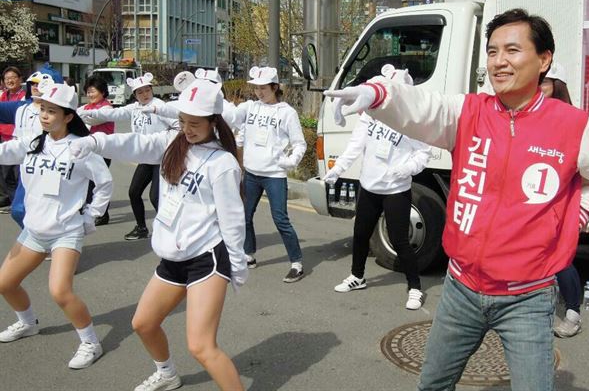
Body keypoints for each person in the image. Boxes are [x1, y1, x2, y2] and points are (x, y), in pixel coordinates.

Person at [325, 8, 589, 391]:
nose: (499, 61)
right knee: (433, 385)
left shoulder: (574, 127)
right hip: (460, 287)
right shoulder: (470, 112)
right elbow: (422, 107)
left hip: (528, 298)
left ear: (544, 59)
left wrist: (575, 217)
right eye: (493, 51)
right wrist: (375, 93)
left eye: (513, 50)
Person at [69, 77, 247, 391]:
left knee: (201, 347)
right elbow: (134, 143)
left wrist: (237, 265)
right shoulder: (171, 143)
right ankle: (167, 374)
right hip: (172, 256)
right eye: (183, 121)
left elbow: (232, 219)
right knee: (143, 323)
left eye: (195, 123)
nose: (187, 128)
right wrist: (95, 143)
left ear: (213, 122)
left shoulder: (222, 163)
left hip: (206, 259)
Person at [0, 81, 112, 369]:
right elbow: (5, 152)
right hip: (33, 231)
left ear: (68, 116)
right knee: (5, 283)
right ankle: (28, 322)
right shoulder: (34, 143)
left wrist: (91, 215)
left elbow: (104, 182)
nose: (45, 116)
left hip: (66, 231)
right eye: (42, 110)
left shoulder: (80, 148)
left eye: (52, 111)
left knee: (60, 291)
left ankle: (90, 342)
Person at [323, 65, 433, 309]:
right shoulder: (370, 114)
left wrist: (406, 169)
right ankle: (357, 276)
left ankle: (414, 287)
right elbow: (355, 145)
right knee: (361, 234)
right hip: (369, 186)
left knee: (399, 240)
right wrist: (338, 168)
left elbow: (424, 154)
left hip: (395, 189)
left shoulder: (410, 120)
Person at [78, 73, 178, 240]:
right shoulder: (135, 107)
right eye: (140, 92)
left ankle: (170, 232)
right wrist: (93, 114)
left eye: (147, 90)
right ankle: (141, 228)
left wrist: (166, 143)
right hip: (146, 158)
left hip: (162, 158)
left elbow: (177, 126)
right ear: (135, 95)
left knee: (156, 197)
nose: (144, 94)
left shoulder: (159, 106)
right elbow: (115, 114)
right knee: (134, 192)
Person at [234, 66, 307, 282]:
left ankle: (297, 263)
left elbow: (299, 144)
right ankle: (249, 255)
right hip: (252, 173)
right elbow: (240, 134)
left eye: (263, 88)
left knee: (280, 219)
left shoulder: (287, 112)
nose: (259, 92)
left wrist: (289, 162)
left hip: (274, 174)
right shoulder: (250, 108)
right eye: (256, 88)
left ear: (275, 87)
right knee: (244, 216)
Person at [540, 62, 583, 338]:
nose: (539, 88)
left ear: (558, 86)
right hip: (536, 198)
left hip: (562, 199)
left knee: (561, 257)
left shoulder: (572, 119)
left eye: (544, 82)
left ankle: (573, 312)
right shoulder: (531, 114)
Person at [0, 65, 64, 228]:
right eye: (33, 83)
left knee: (50, 211)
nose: (36, 86)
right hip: (28, 169)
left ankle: (56, 243)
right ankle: (37, 242)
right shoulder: (21, 107)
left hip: (51, 169)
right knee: (19, 210)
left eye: (41, 83)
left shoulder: (62, 111)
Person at [141, 68, 240, 130]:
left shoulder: (224, 105)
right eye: (202, 82)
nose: (204, 87)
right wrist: (156, 109)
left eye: (210, 83)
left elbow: (234, 119)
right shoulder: (190, 101)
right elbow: (175, 109)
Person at [77, 76, 115, 226]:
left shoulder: (107, 108)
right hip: (88, 151)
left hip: (103, 151)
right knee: (87, 182)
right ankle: (90, 211)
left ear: (103, 92)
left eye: (93, 91)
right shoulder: (85, 108)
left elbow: (93, 119)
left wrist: (76, 116)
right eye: (88, 92)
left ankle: (102, 214)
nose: (90, 95)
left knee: (99, 182)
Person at [0, 67, 26, 212]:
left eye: (13, 77)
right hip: (4, 139)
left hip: (17, 140)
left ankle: (19, 202)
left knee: (18, 174)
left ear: (20, 79)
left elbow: (18, 121)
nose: (9, 80)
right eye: (6, 78)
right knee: (6, 173)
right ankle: (13, 200)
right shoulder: (3, 96)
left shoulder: (24, 97)